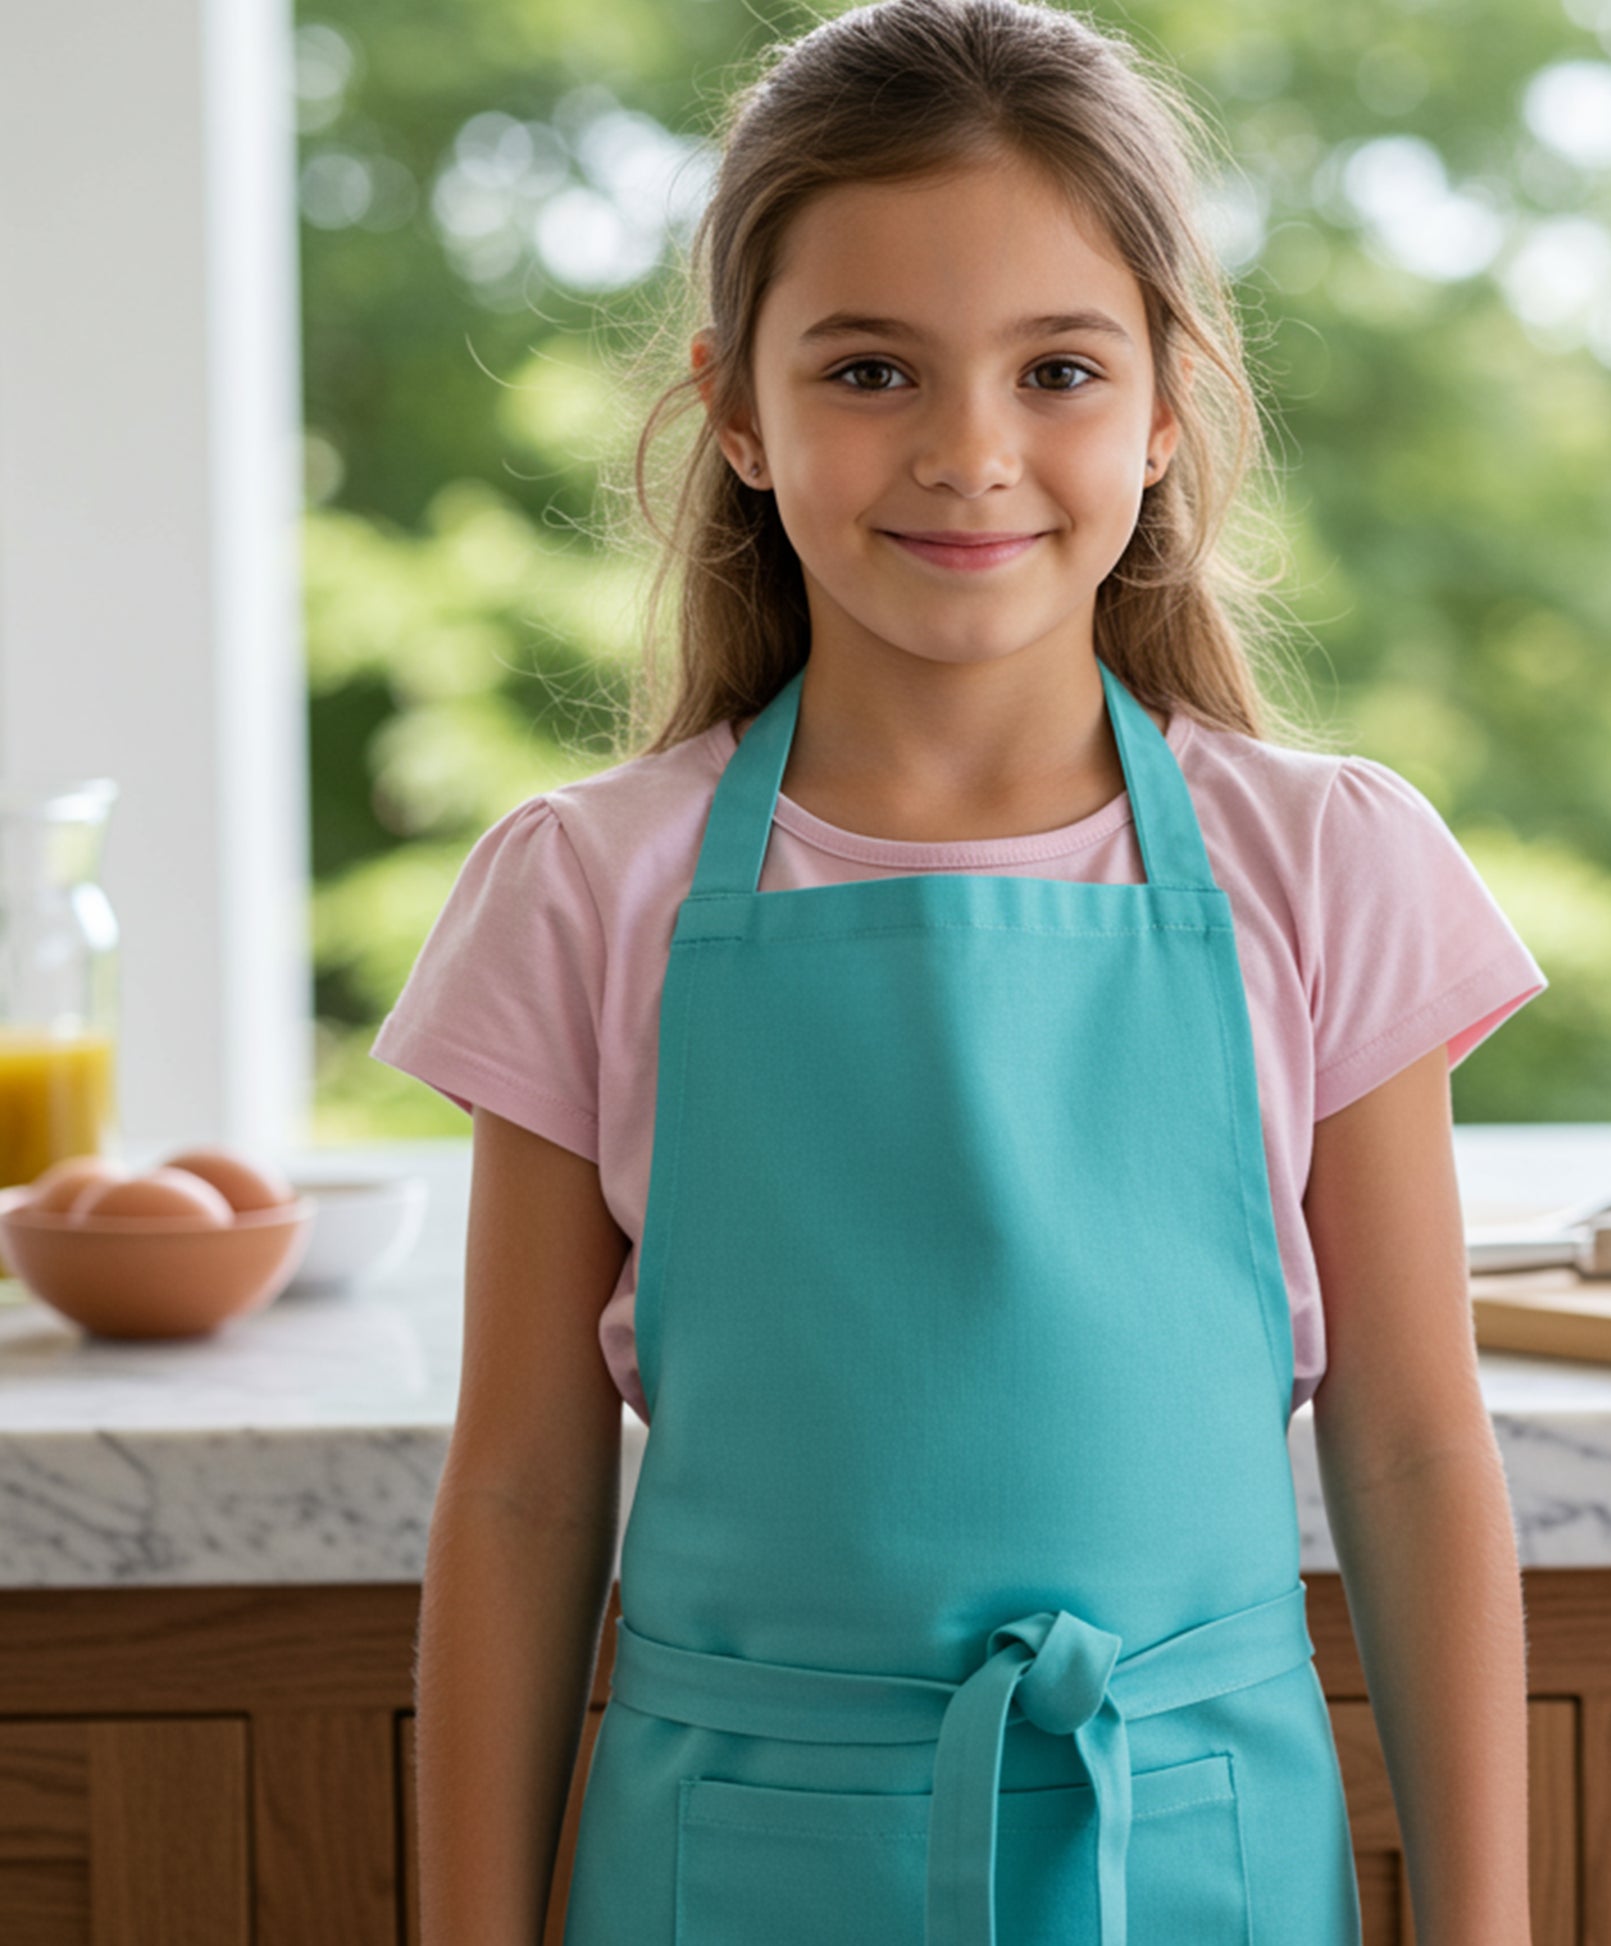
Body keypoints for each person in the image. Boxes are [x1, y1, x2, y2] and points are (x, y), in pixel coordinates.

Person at [372, 2, 1548, 1941]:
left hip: (1199, 1857)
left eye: (1058, 367)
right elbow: (514, 1493)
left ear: (1165, 405)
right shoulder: (587, 886)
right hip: (727, 1868)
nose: (968, 452)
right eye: (869, 369)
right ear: (735, 410)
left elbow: (1416, 1445)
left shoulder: (1327, 863)